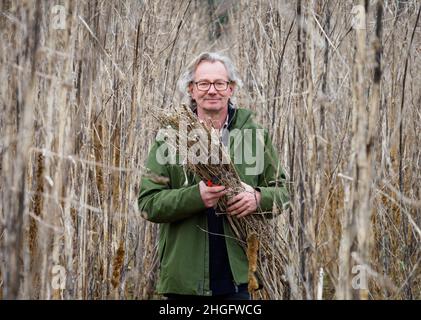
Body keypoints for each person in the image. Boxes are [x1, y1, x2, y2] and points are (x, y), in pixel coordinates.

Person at [138, 52, 289, 299]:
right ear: (191, 89)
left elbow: (283, 192)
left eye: (220, 83)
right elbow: (148, 204)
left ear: (231, 88)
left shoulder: (256, 136)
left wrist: (258, 198)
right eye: (204, 83)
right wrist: (195, 197)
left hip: (239, 278)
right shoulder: (170, 139)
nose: (212, 90)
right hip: (184, 280)